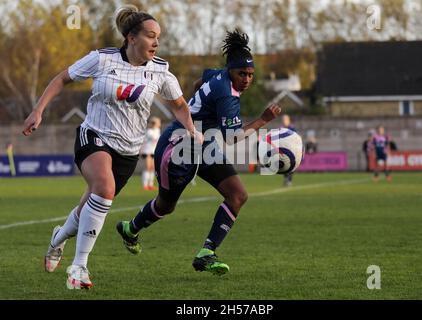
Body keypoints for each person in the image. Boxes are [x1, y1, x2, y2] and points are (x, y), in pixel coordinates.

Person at [22, 5, 201, 289]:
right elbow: (61, 79)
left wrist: (191, 129)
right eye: (150, 36)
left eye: (159, 37)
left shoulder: (161, 72)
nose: (156, 42)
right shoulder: (102, 59)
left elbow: (179, 106)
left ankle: (58, 238)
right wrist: (38, 110)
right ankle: (79, 267)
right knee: (104, 189)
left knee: (89, 207)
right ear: (131, 38)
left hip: (128, 152)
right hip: (93, 136)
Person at [116, 29, 281, 275]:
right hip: (177, 147)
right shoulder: (227, 94)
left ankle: (207, 253)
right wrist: (263, 120)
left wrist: (199, 111)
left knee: (237, 195)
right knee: (165, 206)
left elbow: (198, 83)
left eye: (250, 75)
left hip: (203, 145)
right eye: (242, 73)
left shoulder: (217, 74)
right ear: (231, 71)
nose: (246, 79)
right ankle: (131, 229)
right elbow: (233, 137)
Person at [141, 116, 161, 190]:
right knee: (147, 167)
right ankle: (145, 185)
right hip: (147, 151)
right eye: (158, 122)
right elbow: (154, 138)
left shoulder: (157, 130)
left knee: (152, 168)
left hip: (153, 151)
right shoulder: (149, 131)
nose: (159, 124)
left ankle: (150, 184)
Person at [281, 114, 297, 187]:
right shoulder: (281, 128)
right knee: (284, 165)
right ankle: (286, 178)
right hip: (283, 150)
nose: (283, 121)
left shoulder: (292, 128)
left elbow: (295, 138)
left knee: (291, 165)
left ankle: (289, 180)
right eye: (283, 119)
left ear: (288, 120)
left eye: (285, 119)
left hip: (291, 149)